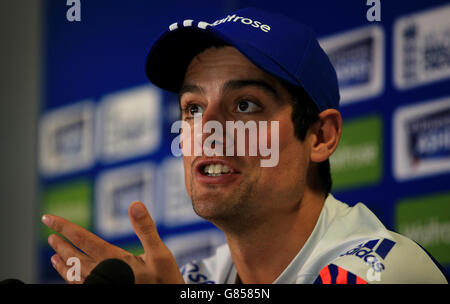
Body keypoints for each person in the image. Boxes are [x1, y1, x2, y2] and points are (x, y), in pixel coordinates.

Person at [42, 7, 448, 284]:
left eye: (245, 104)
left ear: (321, 137)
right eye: (193, 107)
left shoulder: (381, 269)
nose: (208, 129)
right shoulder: (203, 276)